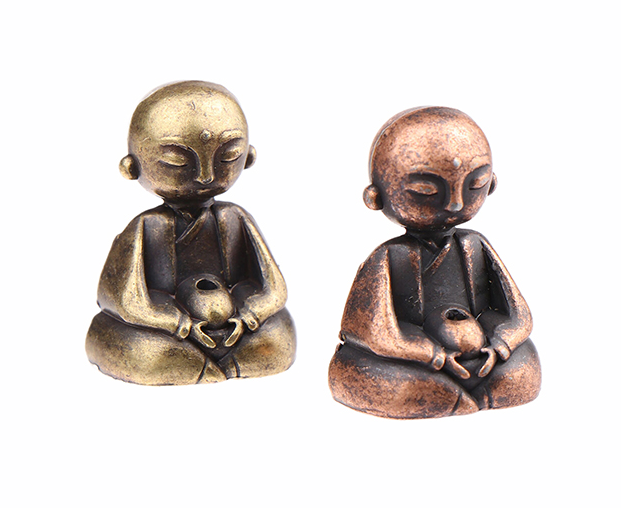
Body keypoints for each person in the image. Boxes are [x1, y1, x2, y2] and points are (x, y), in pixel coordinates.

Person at [328, 107, 541, 418]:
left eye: (475, 185)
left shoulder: (474, 245)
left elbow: (519, 316)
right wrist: (435, 356)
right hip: (416, 360)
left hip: (478, 356)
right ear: (376, 197)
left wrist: (500, 346)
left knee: (524, 367)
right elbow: (375, 334)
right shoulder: (389, 257)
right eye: (426, 191)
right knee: (380, 380)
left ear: (491, 183)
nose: (455, 204)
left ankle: (454, 395)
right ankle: (453, 395)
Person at [86, 81, 296, 385]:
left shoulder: (233, 218)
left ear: (248, 157)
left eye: (227, 156)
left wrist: (248, 317)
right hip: (169, 330)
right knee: (143, 351)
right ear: (132, 167)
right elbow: (121, 301)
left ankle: (202, 364)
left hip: (234, 326)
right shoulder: (147, 227)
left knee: (278, 336)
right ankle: (204, 364)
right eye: (178, 161)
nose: (205, 176)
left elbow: (275, 290)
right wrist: (181, 325)